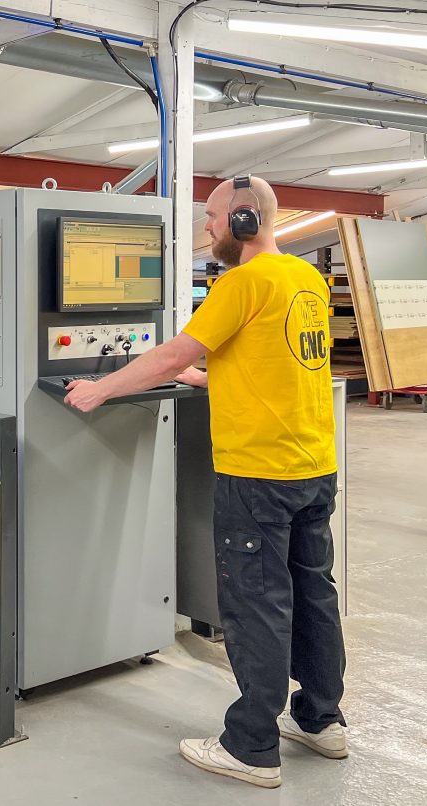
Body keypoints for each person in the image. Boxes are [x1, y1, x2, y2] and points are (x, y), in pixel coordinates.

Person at [64, 176, 346, 789]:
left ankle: (251, 747)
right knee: (312, 594)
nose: (210, 228)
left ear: (244, 219)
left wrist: (101, 389)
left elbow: (170, 355)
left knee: (257, 604)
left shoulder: (242, 282)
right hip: (314, 465)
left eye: (215, 217)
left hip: (258, 472)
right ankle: (322, 720)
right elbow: (274, 360)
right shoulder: (305, 277)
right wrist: (207, 377)